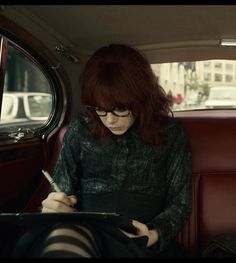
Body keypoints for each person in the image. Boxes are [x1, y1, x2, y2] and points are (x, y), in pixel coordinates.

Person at [14, 44, 192, 258]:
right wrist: (54, 204)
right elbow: (61, 188)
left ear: (141, 99)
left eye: (120, 108)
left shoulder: (171, 133)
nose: (109, 119)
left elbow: (179, 203)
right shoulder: (80, 128)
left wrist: (153, 234)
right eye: (100, 109)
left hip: (140, 234)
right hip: (85, 228)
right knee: (62, 239)